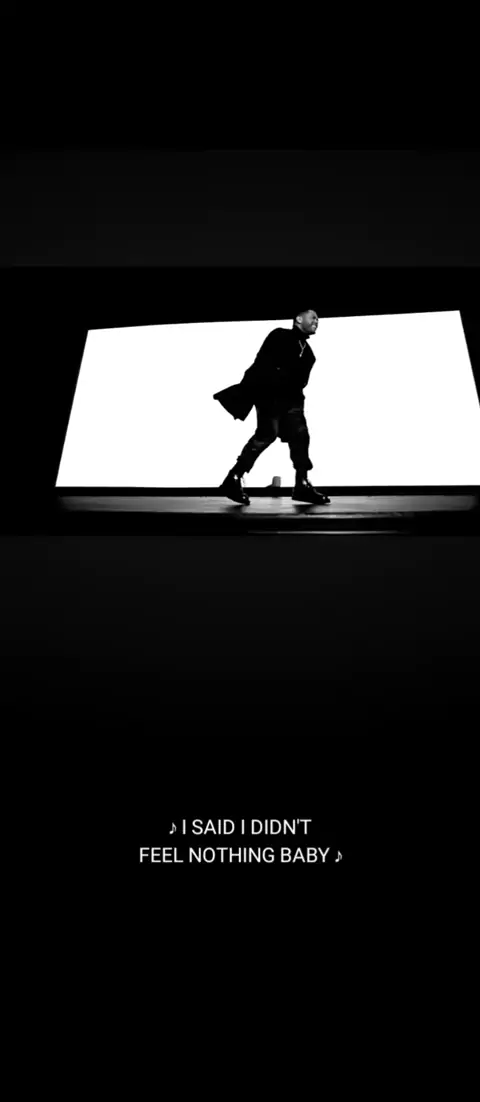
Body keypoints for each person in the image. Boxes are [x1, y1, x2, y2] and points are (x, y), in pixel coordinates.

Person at [214, 310, 330, 505]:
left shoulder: (309, 354)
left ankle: (302, 484)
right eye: (313, 317)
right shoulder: (280, 335)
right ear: (298, 319)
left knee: (301, 436)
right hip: (270, 396)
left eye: (318, 319)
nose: (317, 321)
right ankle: (233, 478)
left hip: (292, 401)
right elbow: (262, 364)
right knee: (266, 435)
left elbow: (301, 382)